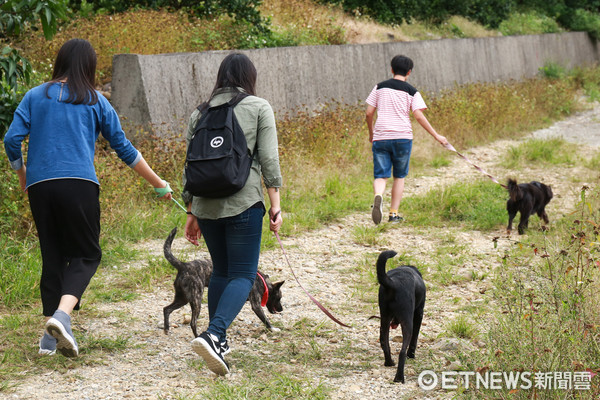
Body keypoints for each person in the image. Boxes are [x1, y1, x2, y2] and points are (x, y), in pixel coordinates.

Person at [3, 38, 172, 357]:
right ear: (89, 66)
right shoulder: (96, 100)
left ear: (60, 62)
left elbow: (12, 139)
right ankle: (62, 317)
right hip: (79, 185)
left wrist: (23, 174)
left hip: (40, 187)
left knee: (53, 255)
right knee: (86, 255)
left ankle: (49, 340)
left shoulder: (34, 96)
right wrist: (158, 183)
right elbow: (125, 149)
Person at [182, 53, 282, 376]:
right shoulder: (258, 107)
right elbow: (269, 160)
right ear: (249, 76)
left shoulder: (200, 113)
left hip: (206, 206)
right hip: (244, 202)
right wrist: (276, 205)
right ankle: (212, 334)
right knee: (243, 273)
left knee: (222, 272)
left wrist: (190, 210)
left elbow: (189, 166)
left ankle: (219, 340)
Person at [366, 55, 448, 225]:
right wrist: (436, 135)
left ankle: (378, 196)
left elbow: (368, 113)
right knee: (399, 176)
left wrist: (371, 133)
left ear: (391, 69)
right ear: (409, 72)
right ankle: (393, 214)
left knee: (381, 175)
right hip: (403, 138)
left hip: (381, 137)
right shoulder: (412, 91)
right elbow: (418, 115)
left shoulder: (379, 87)